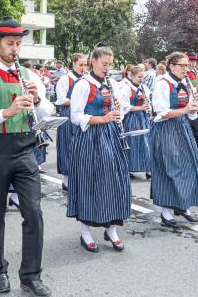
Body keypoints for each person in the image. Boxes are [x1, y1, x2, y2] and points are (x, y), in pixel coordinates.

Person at [0, 17, 54, 296]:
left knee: (34, 213)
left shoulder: (30, 76)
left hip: (26, 148)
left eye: (18, 43)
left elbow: (47, 111)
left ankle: (30, 275)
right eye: (10, 43)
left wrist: (38, 101)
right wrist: (6, 112)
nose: (15, 48)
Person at [68, 46, 131, 253]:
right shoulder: (83, 85)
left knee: (117, 180)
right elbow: (75, 116)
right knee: (89, 181)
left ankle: (111, 229)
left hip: (111, 135)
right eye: (104, 64)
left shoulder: (112, 83)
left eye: (110, 64)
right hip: (90, 138)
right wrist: (101, 118)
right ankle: (85, 232)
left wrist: (118, 111)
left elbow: (123, 108)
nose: (107, 68)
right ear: (93, 61)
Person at [150, 52, 198, 226]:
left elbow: (191, 114)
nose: (185, 69)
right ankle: (166, 213)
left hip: (182, 126)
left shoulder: (185, 83)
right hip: (166, 129)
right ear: (171, 66)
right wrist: (186, 109)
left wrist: (194, 109)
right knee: (169, 169)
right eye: (182, 66)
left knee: (192, 165)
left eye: (187, 66)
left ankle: (182, 204)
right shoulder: (162, 84)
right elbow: (161, 112)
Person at [54, 53, 88, 190]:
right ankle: (66, 179)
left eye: (86, 65)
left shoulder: (87, 79)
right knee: (68, 147)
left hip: (83, 115)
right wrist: (79, 102)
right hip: (68, 116)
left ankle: (80, 177)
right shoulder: (65, 79)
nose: (84, 68)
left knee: (82, 147)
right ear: (73, 64)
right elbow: (61, 100)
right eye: (81, 65)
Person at [122, 65, 151, 177]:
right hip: (132, 118)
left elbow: (148, 104)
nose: (141, 79)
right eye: (139, 77)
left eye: (142, 77)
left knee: (146, 143)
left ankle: (148, 168)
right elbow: (125, 107)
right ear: (132, 76)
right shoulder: (126, 88)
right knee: (133, 143)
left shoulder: (145, 88)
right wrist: (141, 108)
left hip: (143, 117)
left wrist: (147, 103)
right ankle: (130, 167)